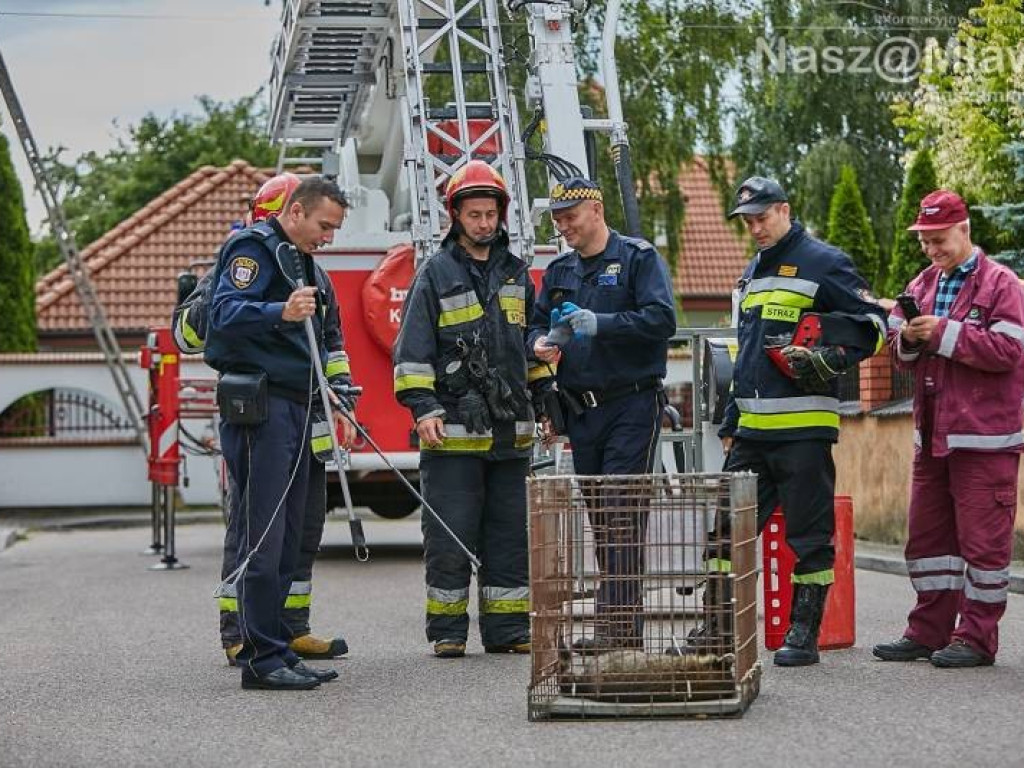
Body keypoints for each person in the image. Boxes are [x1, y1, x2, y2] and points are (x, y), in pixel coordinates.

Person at [172, 173, 353, 667]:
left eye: (335, 229)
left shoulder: (305, 264)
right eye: (324, 225)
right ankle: (257, 652)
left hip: (299, 407)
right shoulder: (251, 250)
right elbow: (224, 315)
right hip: (262, 408)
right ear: (293, 212)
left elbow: (331, 339)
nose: (329, 237)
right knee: (262, 533)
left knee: (291, 531)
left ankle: (279, 644)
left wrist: (340, 398)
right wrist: (281, 310)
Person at [712, 176, 887, 667]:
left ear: (785, 210)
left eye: (762, 217)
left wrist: (830, 357)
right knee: (724, 534)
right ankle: (718, 629)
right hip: (751, 433)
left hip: (804, 434)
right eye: (747, 221)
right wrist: (731, 423)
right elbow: (745, 357)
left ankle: (802, 634)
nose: (755, 228)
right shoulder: (751, 272)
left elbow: (875, 326)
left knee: (809, 537)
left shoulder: (824, 262)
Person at [393, 160, 549, 658]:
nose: (484, 223)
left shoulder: (517, 274)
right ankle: (448, 632)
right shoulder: (434, 275)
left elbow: (531, 348)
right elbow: (412, 353)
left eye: (490, 214)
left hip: (510, 435)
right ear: (455, 216)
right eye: (474, 214)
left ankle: (508, 632)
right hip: (454, 434)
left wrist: (546, 402)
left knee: (509, 535)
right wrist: (423, 408)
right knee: (449, 534)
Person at [873, 190, 1024, 668]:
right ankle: (928, 631)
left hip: (984, 442)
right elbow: (897, 345)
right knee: (927, 540)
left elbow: (1009, 352)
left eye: (939, 239)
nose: (932, 250)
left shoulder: (1002, 284)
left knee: (983, 544)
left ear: (964, 230)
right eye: (925, 241)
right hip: (932, 438)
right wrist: (908, 340)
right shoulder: (921, 283)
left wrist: (938, 333)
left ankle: (977, 639)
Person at [527, 176, 677, 653]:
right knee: (599, 515)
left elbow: (662, 320)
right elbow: (535, 322)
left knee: (621, 511)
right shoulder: (560, 271)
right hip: (582, 410)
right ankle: (619, 625)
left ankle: (616, 628)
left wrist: (603, 325)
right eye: (557, 220)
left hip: (631, 403)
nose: (563, 227)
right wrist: (539, 344)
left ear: (596, 209)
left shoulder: (638, 258)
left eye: (569, 217)